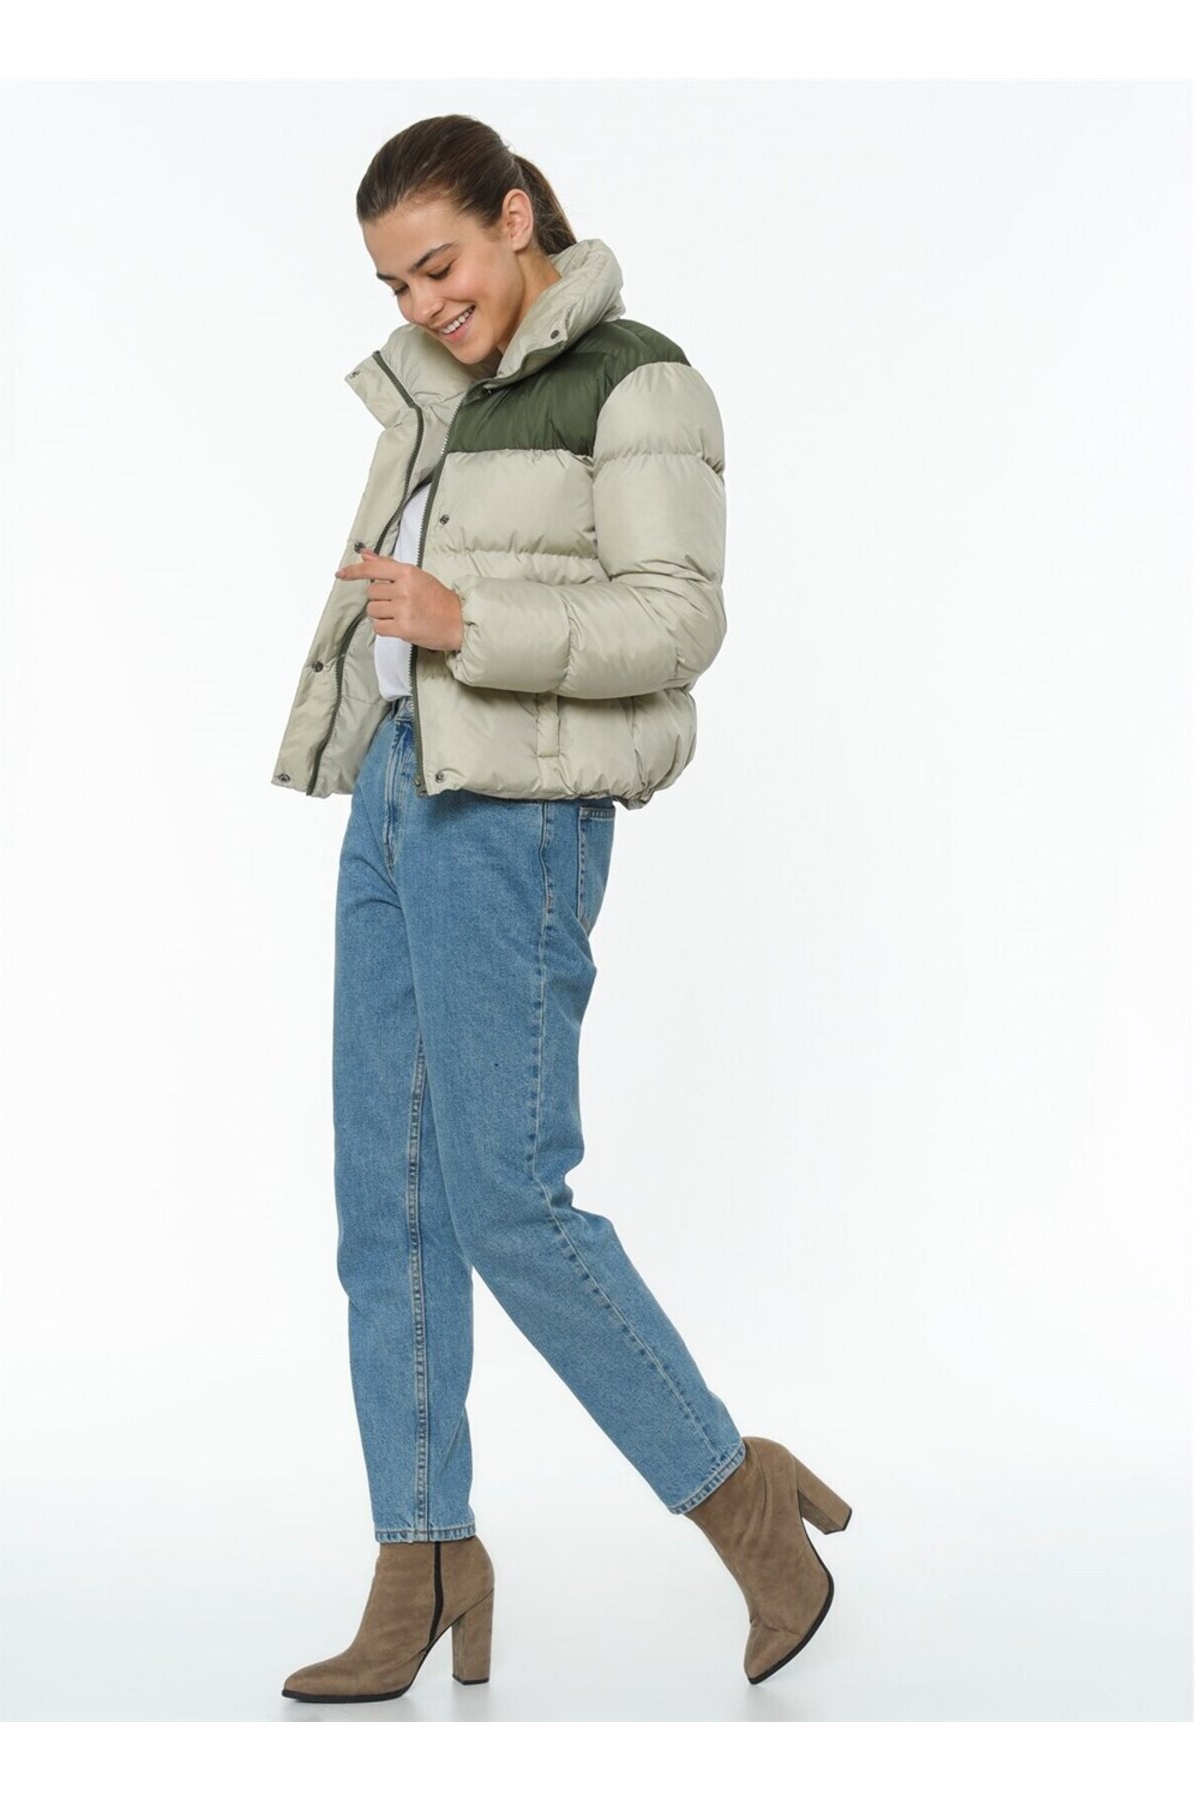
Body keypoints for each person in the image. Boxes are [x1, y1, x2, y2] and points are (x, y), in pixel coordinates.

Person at [272, 113, 852, 1704]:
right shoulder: (439, 392)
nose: (423, 304)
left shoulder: (640, 383)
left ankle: (741, 1499)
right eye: (396, 285)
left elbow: (676, 621)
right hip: (400, 796)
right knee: (384, 1207)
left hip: (515, 819)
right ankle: (424, 1558)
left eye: (441, 265)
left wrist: (467, 618)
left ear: (518, 217)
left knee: (507, 1202)